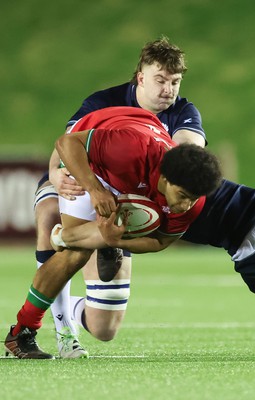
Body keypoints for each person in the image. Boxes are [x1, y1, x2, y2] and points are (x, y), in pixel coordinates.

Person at [34, 36, 206, 358]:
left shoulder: (183, 112)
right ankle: (60, 330)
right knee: (48, 214)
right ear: (140, 77)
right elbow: (67, 146)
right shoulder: (104, 101)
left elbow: (188, 154)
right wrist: (56, 175)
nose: (168, 89)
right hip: (84, 179)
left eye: (175, 82)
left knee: (104, 328)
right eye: (160, 80)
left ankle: (70, 303)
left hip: (132, 202)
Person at [4, 106, 222, 359]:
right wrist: (95, 190)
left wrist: (118, 239)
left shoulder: (192, 199)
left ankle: (69, 237)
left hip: (132, 179)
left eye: (193, 199)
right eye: (183, 196)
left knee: (104, 324)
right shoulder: (130, 149)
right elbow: (67, 143)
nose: (185, 206)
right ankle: (22, 331)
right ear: (165, 177)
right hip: (91, 161)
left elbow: (160, 241)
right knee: (76, 254)